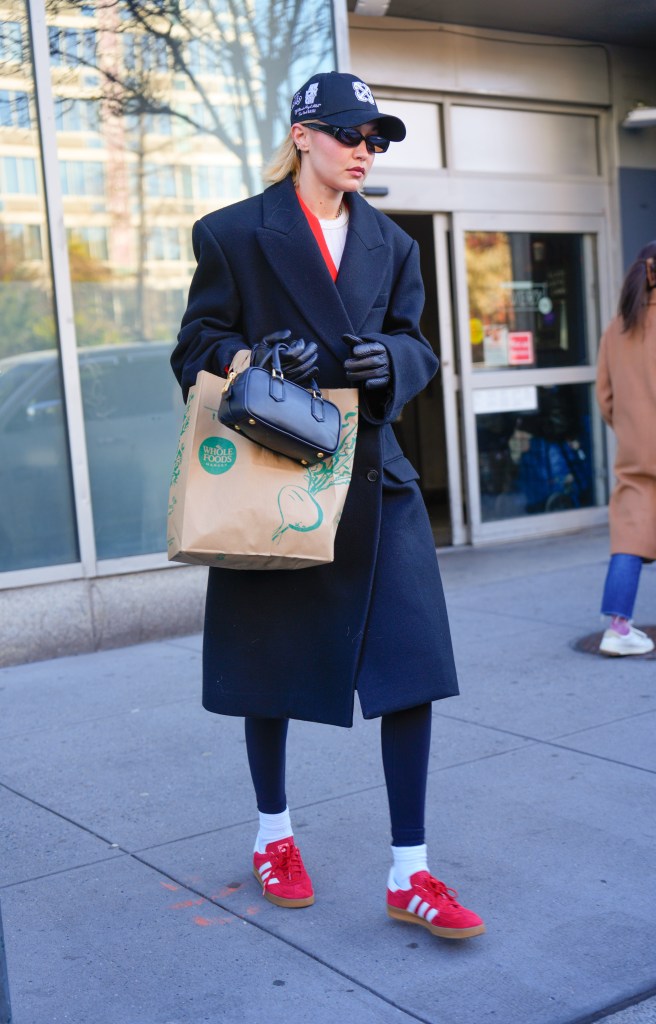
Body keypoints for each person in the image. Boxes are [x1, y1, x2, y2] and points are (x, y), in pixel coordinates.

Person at [172, 71, 485, 940]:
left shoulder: (392, 243)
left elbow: (418, 343)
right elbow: (195, 343)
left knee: (413, 670)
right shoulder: (234, 233)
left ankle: (410, 874)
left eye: (376, 139)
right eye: (350, 134)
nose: (364, 150)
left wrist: (393, 360)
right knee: (266, 671)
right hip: (277, 483)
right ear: (304, 134)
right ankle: (274, 836)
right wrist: (248, 359)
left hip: (377, 482)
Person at [596, 242, 656, 656]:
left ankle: (618, 629)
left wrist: (633, 430)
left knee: (629, 541)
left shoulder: (617, 328)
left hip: (637, 452)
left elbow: (606, 398)